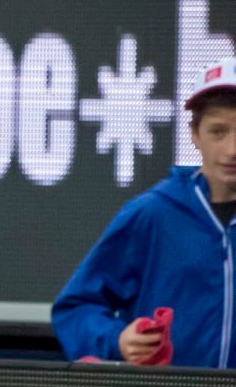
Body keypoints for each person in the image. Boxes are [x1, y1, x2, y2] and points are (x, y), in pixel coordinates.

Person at [53, 58, 236, 366]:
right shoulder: (153, 214)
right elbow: (76, 308)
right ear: (194, 134)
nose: (232, 149)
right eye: (218, 131)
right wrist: (118, 340)